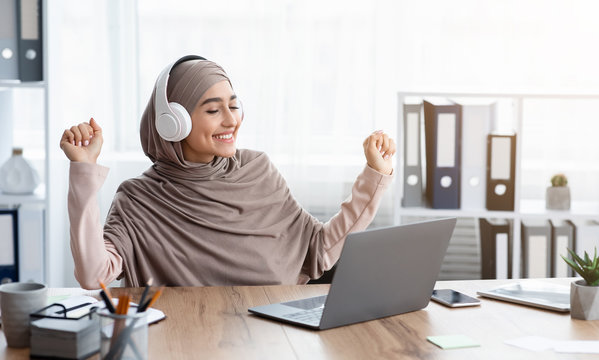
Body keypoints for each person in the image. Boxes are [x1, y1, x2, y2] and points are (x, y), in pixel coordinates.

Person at [60, 55, 396, 289]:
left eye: (233, 105)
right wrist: (83, 172)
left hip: (270, 334)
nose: (231, 119)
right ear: (173, 123)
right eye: (213, 109)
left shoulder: (257, 170)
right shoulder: (138, 198)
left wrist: (373, 177)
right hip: (185, 338)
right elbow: (94, 275)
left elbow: (320, 250)